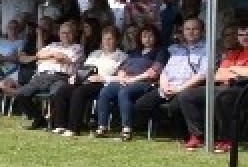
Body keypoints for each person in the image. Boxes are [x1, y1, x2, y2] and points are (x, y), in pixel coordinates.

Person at [133, 17, 209, 146]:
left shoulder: (207, 49)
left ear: (202, 31)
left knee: (174, 107)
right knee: (141, 105)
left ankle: (188, 135)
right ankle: (168, 126)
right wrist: (164, 85)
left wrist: (179, 89)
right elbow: (165, 71)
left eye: (195, 29)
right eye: (187, 29)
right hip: (167, 87)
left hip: (188, 88)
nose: (191, 32)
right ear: (183, 31)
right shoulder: (177, 49)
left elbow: (203, 74)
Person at [180, 22, 248, 153]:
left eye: (247, 34)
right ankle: (197, 136)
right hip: (227, 87)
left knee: (223, 97)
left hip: (243, 90)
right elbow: (218, 76)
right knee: (187, 95)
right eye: (241, 34)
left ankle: (227, 139)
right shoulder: (233, 53)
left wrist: (233, 70)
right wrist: (238, 72)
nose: (244, 37)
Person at [48, 26, 124, 135]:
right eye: (104, 39)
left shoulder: (122, 56)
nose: (106, 42)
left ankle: (73, 128)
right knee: (63, 90)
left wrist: (103, 78)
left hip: (103, 84)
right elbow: (84, 69)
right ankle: (60, 125)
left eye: (110, 39)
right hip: (86, 80)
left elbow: (121, 77)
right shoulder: (95, 54)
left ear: (116, 40)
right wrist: (75, 76)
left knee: (79, 92)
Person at [94, 23, 165, 140]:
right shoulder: (134, 52)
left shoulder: (160, 52)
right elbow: (122, 67)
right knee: (106, 91)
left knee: (124, 92)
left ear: (156, 37)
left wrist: (133, 79)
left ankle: (127, 129)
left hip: (145, 83)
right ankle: (102, 126)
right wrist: (121, 75)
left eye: (150, 36)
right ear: (140, 38)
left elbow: (154, 72)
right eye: (144, 36)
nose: (147, 39)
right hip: (127, 80)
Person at [13, 20, 85, 129]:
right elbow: (39, 55)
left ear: (74, 34)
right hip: (41, 77)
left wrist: (50, 56)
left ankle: (56, 123)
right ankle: (39, 118)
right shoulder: (53, 45)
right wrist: (54, 54)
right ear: (59, 34)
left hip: (61, 76)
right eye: (62, 33)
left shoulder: (77, 47)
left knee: (57, 95)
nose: (65, 35)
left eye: (68, 33)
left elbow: (65, 59)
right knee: (21, 94)